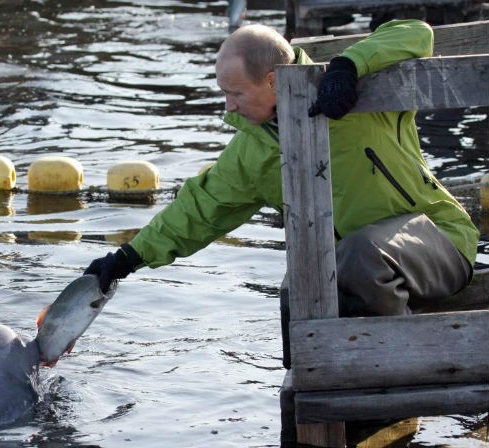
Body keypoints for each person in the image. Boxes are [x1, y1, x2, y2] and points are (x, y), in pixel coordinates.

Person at [84, 20, 479, 369]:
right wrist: (127, 258)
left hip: (439, 241)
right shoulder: (251, 151)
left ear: (272, 80)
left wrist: (348, 66)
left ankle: (401, 366)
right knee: (296, 288)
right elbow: (198, 210)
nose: (229, 106)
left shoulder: (359, 91)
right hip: (354, 266)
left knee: (362, 254)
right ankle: (312, 389)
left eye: (235, 93)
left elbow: (415, 33)